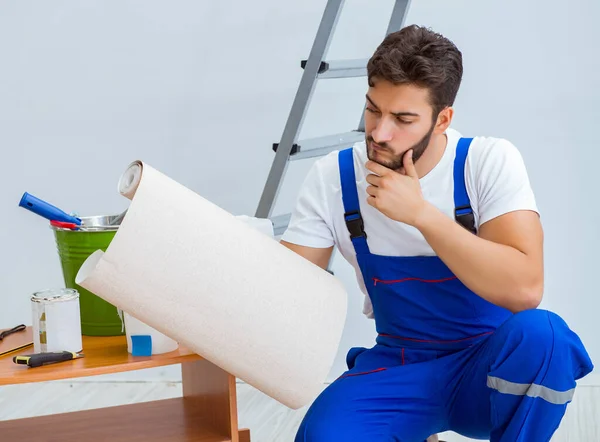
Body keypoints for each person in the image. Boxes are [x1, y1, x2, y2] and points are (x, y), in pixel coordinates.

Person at [279, 24, 594, 442]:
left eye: (403, 119)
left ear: (443, 119)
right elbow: (286, 292)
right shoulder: (332, 178)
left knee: (545, 337)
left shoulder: (484, 162)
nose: (378, 133)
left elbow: (525, 289)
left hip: (486, 371)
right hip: (397, 369)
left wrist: (421, 215)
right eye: (373, 109)